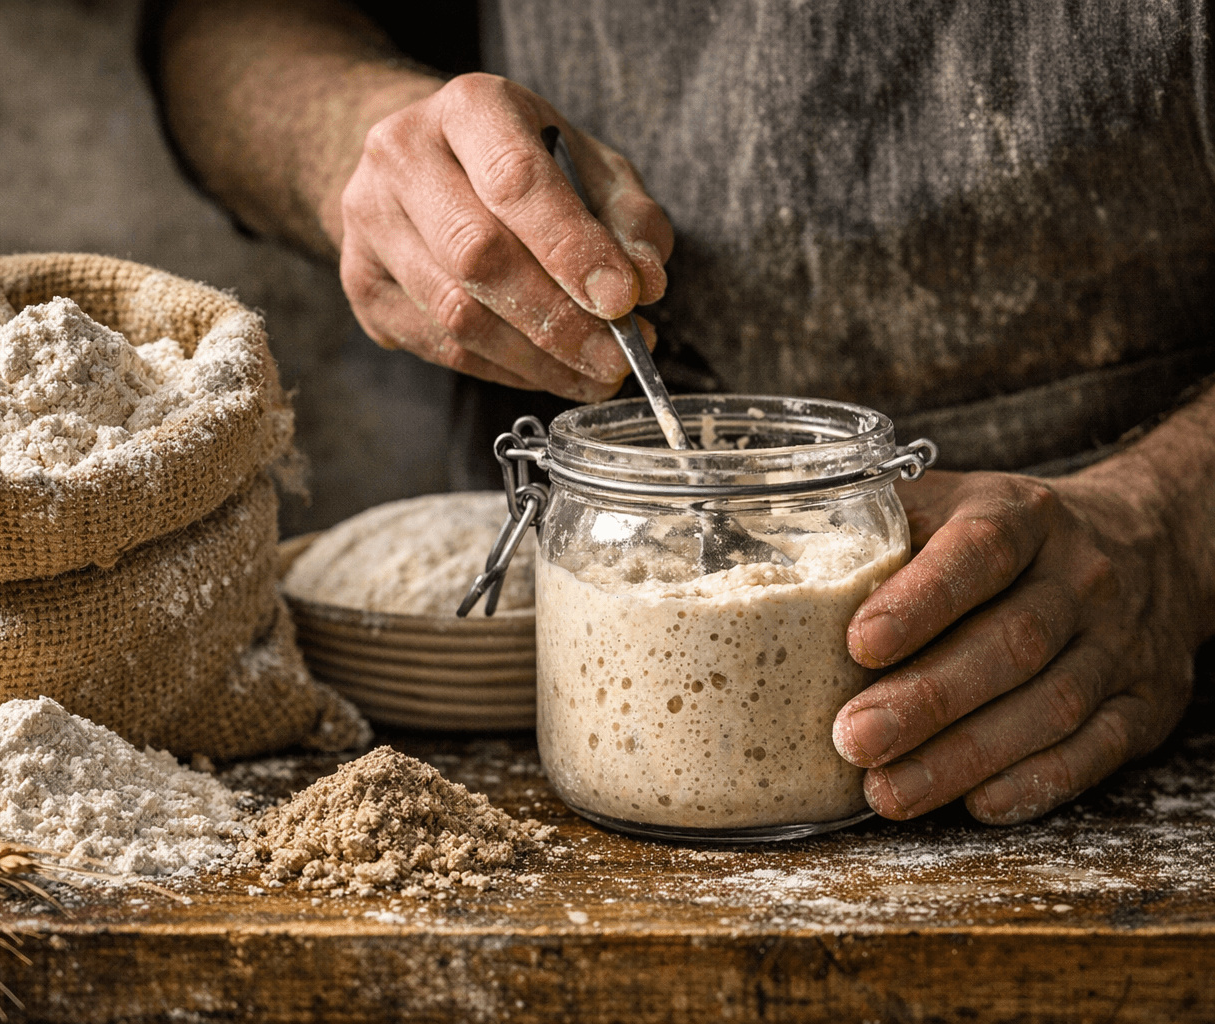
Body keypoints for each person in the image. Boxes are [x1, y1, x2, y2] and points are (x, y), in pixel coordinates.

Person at [144, 0, 1215, 825]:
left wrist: (1170, 519)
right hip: (527, 686)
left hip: (1150, 709)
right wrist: (365, 144)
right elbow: (224, 25)